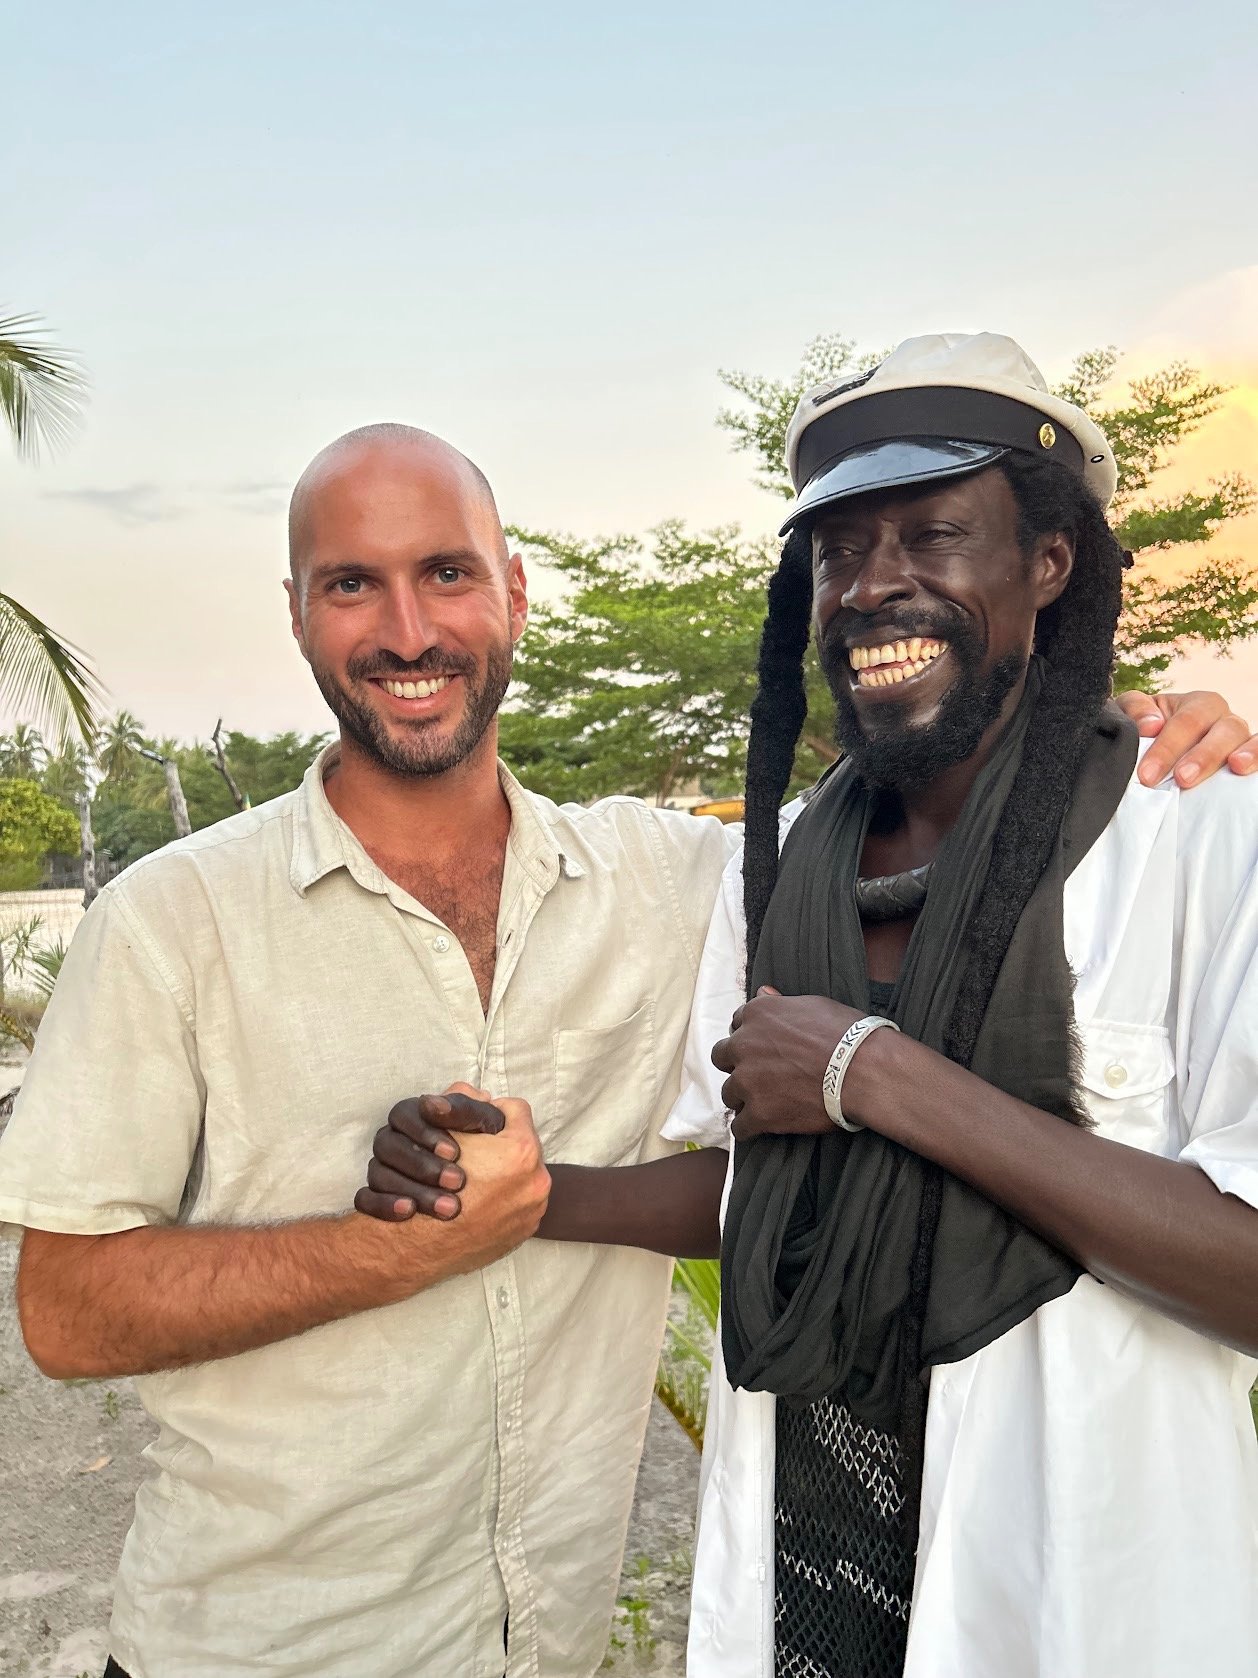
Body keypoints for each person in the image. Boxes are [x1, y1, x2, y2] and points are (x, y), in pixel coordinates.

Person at [0, 414, 1249, 1678]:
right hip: (252, 1652)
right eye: (350, 584)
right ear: (296, 612)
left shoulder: (686, 876)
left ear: (514, 593)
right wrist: (385, 1250)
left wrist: (1135, 729)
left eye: (446, 572)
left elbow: (925, 832)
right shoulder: (168, 918)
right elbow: (62, 1312)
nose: (409, 631)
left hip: (550, 1645)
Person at [674, 333, 1258, 1676]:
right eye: (835, 549)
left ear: (1045, 565)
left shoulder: (1200, 837)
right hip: (806, 1596)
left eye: (930, 533)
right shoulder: (771, 867)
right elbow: (745, 1190)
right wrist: (524, 1196)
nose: (871, 584)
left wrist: (871, 1073)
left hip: (1087, 1613)